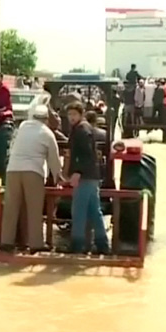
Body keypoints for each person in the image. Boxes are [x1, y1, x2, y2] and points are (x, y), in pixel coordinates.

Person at [0, 105, 62, 254]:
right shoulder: (47, 133)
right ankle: (35, 243)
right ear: (46, 119)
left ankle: (6, 242)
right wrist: (58, 176)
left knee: (11, 207)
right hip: (33, 171)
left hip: (13, 169)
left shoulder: (22, 127)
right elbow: (54, 158)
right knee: (34, 208)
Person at [66, 101, 110, 254]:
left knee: (78, 210)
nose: (71, 117)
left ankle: (77, 244)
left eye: (74, 114)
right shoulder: (84, 128)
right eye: (69, 114)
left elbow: (86, 154)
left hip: (85, 177)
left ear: (81, 114)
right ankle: (102, 245)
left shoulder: (81, 130)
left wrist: (76, 172)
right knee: (94, 211)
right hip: (93, 176)